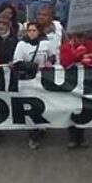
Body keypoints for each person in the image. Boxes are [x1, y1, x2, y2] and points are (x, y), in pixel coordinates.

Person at [11, 21, 55, 150]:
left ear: (39, 31)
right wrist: (36, 66)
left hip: (43, 80)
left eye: (34, 30)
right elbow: (17, 63)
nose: (31, 33)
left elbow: (52, 56)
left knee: (42, 104)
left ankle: (40, 127)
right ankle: (33, 135)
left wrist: (49, 62)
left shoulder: (46, 43)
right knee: (31, 106)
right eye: (29, 30)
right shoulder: (21, 45)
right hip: (28, 80)